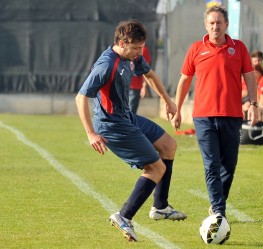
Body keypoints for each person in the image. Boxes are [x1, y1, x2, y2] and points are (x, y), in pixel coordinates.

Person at [75, 19, 186, 242]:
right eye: (135, 48)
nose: (139, 52)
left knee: (169, 146)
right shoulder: (107, 65)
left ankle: (160, 207)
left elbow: (150, 75)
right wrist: (90, 133)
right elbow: (81, 97)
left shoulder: (131, 56)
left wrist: (168, 101)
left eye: (141, 47)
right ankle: (124, 216)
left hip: (127, 117)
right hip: (112, 125)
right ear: (122, 42)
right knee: (156, 168)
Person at [172, 5, 258, 218]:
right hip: (204, 117)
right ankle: (218, 211)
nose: (215, 26)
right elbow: (184, 80)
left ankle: (217, 205)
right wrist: (177, 109)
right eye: (211, 23)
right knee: (212, 164)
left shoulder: (239, 48)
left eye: (219, 22)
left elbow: (250, 76)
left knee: (229, 166)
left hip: (232, 116)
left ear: (226, 25)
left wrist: (254, 105)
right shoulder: (195, 49)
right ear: (205, 25)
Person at [129, 45, 151, 113]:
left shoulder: (144, 50)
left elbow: (146, 71)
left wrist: (144, 86)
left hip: (135, 87)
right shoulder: (124, 48)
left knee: (131, 112)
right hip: (123, 86)